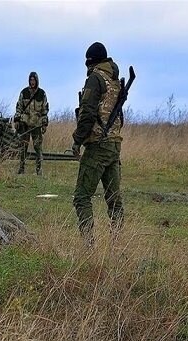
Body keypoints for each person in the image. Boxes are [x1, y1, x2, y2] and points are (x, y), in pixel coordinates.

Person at [71, 42, 124, 242]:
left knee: (82, 197)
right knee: (114, 199)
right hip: (114, 144)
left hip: (98, 144)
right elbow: (119, 115)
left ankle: (88, 245)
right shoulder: (114, 79)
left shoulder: (95, 79)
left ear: (90, 62)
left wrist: (77, 140)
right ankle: (117, 244)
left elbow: (87, 113)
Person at [14, 71, 49, 175]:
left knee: (38, 147)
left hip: (36, 125)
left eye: (34, 80)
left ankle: (39, 170)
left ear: (37, 81)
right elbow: (19, 107)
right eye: (30, 80)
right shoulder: (24, 92)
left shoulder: (41, 93)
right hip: (24, 124)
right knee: (23, 147)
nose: (32, 82)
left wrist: (44, 124)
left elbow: (44, 110)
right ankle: (21, 169)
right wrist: (17, 120)